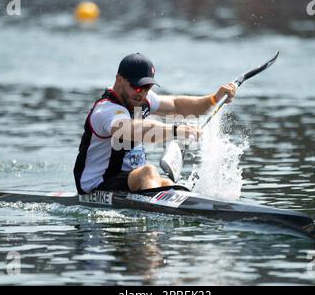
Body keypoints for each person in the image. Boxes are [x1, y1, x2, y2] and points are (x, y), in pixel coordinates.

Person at [73, 53, 236, 194]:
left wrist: (214, 98)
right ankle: (150, 227)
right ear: (119, 80)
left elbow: (178, 105)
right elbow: (134, 130)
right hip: (96, 185)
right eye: (137, 87)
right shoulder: (106, 110)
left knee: (168, 184)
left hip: (129, 179)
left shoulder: (140, 99)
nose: (142, 94)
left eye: (147, 87)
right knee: (149, 172)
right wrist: (176, 130)